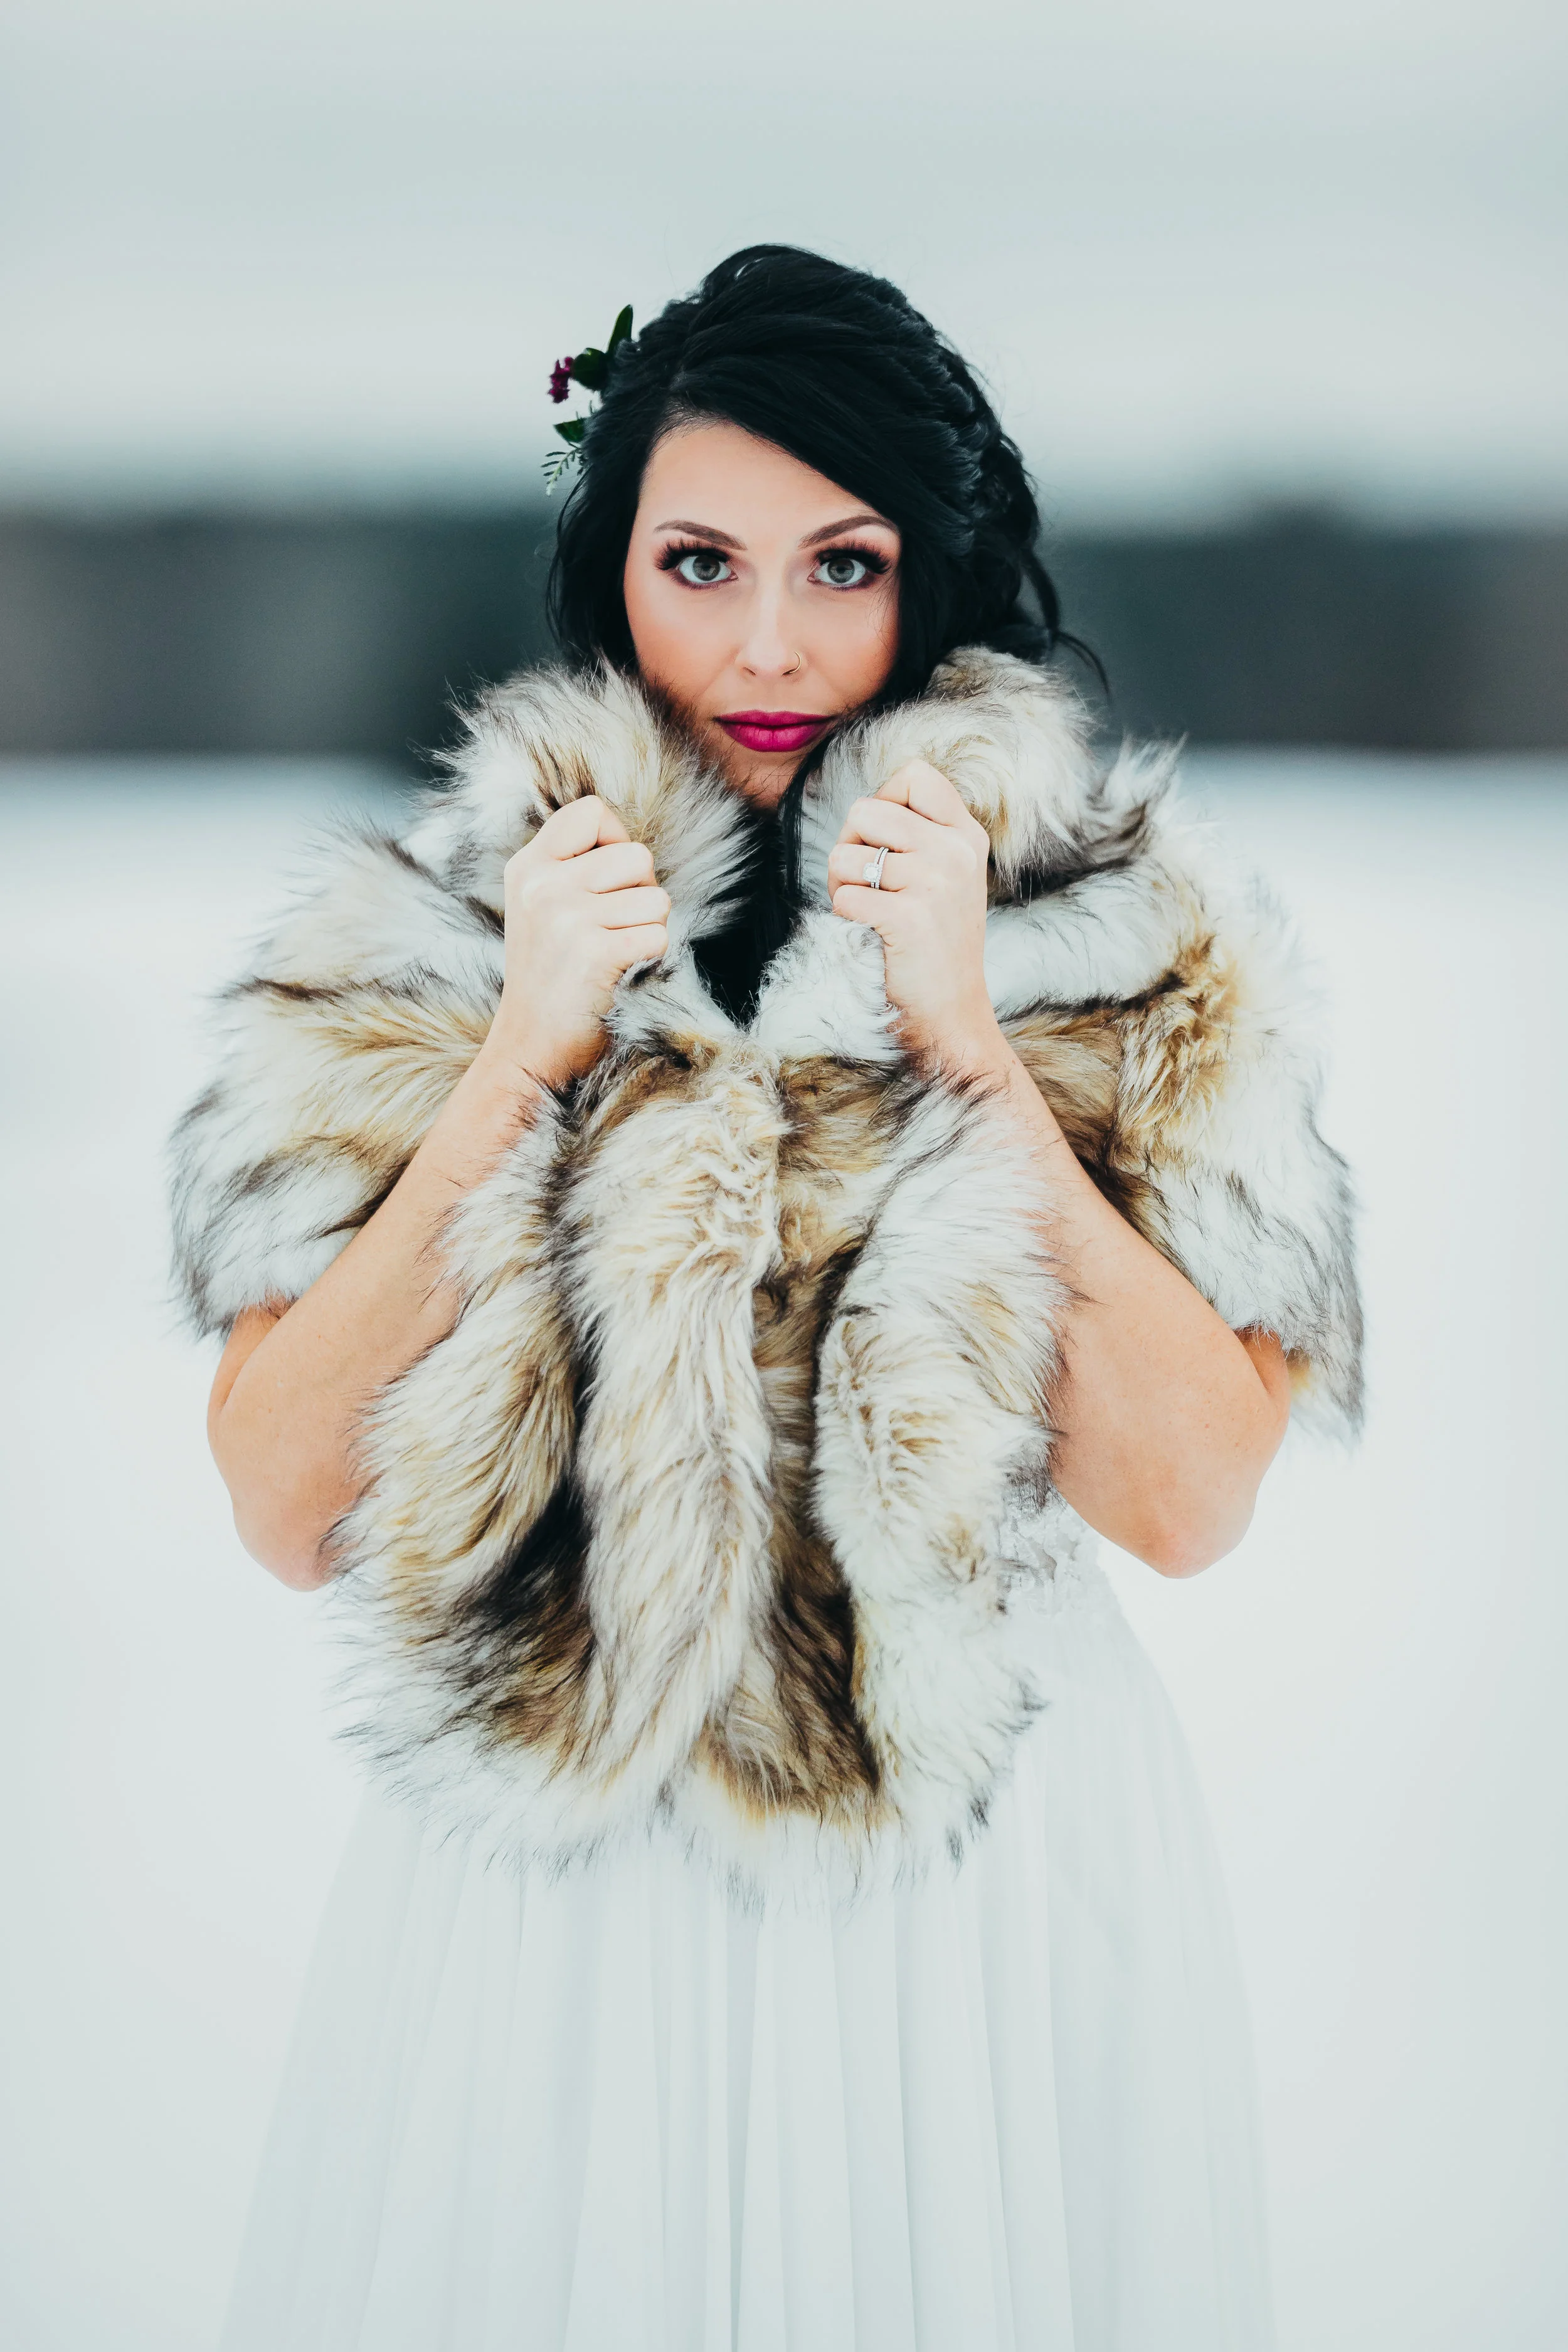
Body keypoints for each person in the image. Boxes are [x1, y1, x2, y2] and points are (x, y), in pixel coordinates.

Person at [172, 245, 1361, 2351]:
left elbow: (1187, 1497)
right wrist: (521, 1059)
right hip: (560, 1876)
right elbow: (282, 1499)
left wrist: (972, 1052)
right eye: (699, 560)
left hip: (977, 1863)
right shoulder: (426, 936)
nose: (769, 643)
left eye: (844, 562)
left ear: (937, 574)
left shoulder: (1121, 937)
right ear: (605, 571)